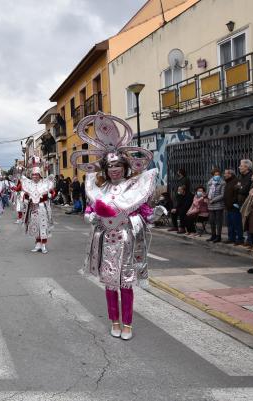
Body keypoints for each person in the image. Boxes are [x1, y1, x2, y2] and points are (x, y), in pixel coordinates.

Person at [72, 112, 166, 340]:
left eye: (118, 165)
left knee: (126, 284)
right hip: (106, 242)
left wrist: (155, 214)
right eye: (110, 166)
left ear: (125, 167)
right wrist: (92, 217)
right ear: (105, 169)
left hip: (127, 242)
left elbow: (144, 214)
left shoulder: (134, 187)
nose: (114, 169)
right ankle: (114, 321)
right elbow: (88, 211)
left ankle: (128, 324)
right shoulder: (99, 189)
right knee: (110, 285)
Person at [17, 155, 55, 253]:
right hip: (33, 209)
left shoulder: (45, 183)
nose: (34, 177)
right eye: (33, 175)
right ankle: (37, 244)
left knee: (43, 226)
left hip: (42, 208)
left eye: (36, 175)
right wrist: (26, 198)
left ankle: (43, 245)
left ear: (39, 175)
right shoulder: (29, 184)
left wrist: (49, 195)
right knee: (35, 225)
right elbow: (26, 196)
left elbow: (50, 194)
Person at [223, 169, 243, 245]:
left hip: (234, 207)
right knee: (230, 224)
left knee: (237, 224)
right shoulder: (228, 182)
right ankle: (231, 238)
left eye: (226, 173)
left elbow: (237, 193)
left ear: (230, 174)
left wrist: (233, 203)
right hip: (228, 207)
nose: (224, 175)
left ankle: (240, 239)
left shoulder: (236, 181)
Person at [206, 168, 226, 243]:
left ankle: (218, 236)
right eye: (215, 174)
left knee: (218, 221)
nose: (217, 176)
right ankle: (213, 235)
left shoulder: (222, 183)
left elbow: (222, 195)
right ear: (213, 175)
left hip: (218, 204)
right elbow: (208, 192)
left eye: (218, 174)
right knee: (211, 221)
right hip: (210, 205)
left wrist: (213, 200)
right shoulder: (209, 182)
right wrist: (206, 196)